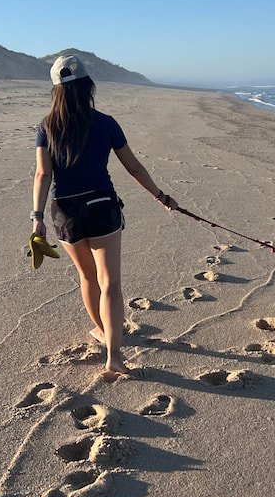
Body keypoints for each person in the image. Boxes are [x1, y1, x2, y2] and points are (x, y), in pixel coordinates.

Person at [33, 54, 177, 378]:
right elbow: (134, 166)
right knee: (110, 282)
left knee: (87, 278)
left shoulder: (46, 127)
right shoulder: (106, 123)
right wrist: (160, 196)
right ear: (88, 87)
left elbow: (43, 175)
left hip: (65, 212)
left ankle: (101, 329)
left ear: (56, 90)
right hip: (102, 206)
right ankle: (113, 355)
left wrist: (37, 217)